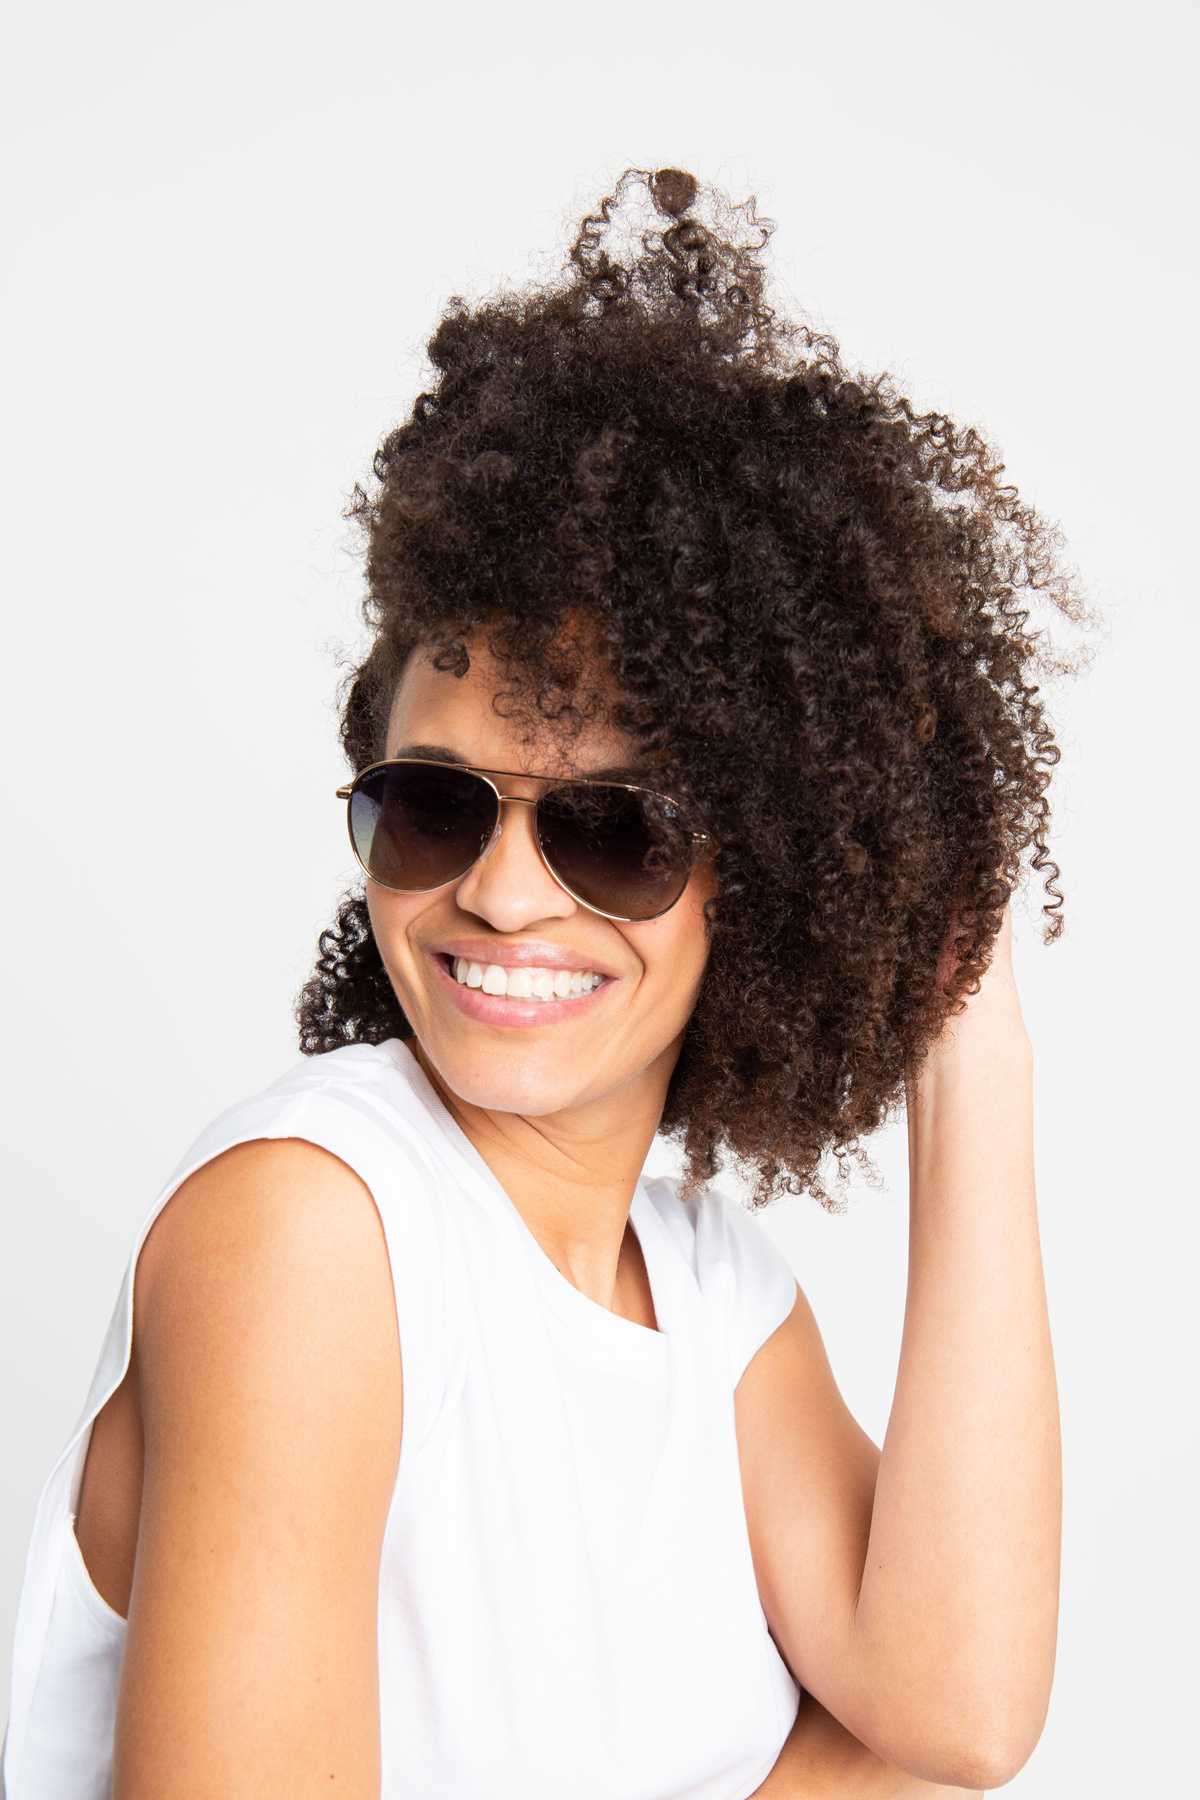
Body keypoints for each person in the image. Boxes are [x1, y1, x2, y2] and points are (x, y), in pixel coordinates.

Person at [1, 166, 1079, 1798]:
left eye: (614, 831)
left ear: (768, 877)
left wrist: (969, 1040)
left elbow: (957, 1714)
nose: (501, 894)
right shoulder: (311, 1232)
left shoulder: (706, 1294)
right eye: (435, 807)